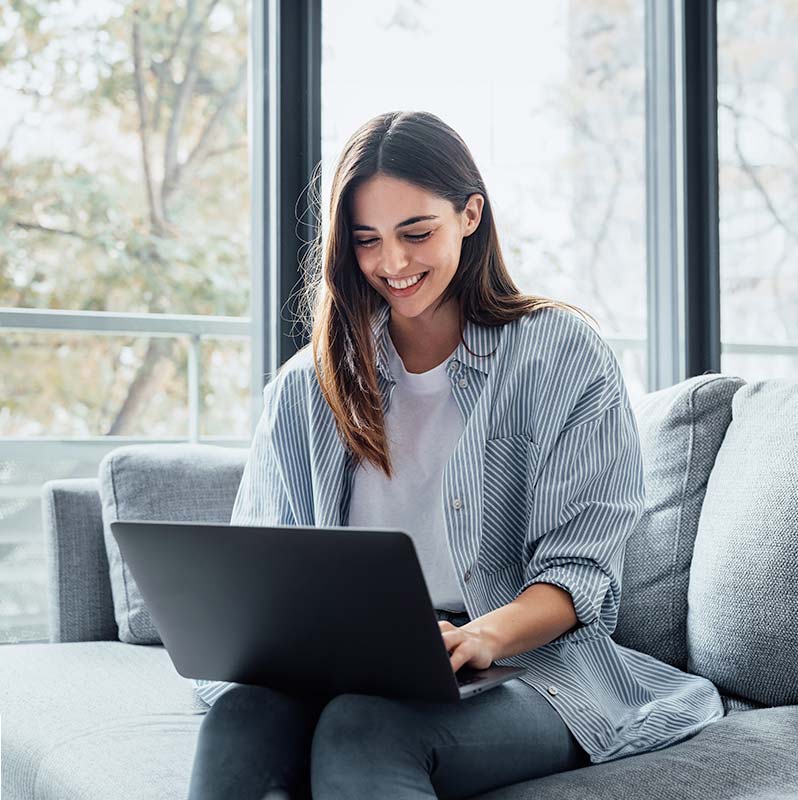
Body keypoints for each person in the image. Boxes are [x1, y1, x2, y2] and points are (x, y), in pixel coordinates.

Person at [187, 110, 724, 800]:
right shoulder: (306, 386)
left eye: (417, 233)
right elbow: (262, 569)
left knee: (364, 728)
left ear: (470, 215)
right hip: (351, 658)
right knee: (240, 718)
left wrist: (481, 637)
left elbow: (579, 574)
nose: (394, 264)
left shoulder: (561, 354)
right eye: (366, 241)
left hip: (528, 662)